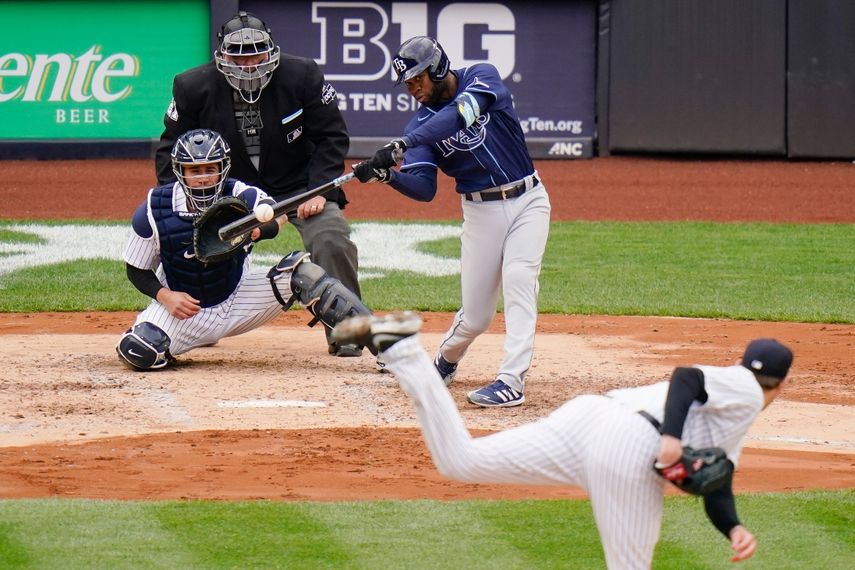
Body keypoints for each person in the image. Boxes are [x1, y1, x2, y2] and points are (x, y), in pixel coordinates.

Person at [332, 311, 795, 568]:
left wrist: (731, 527)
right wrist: (672, 440)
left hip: (590, 417)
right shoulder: (749, 391)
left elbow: (720, 479)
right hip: (629, 444)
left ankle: (404, 350)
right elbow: (688, 376)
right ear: (780, 383)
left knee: (461, 462)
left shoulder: (732, 412)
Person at [352, 36, 551, 407]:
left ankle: (511, 380)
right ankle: (447, 359)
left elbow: (460, 114)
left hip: (529, 200)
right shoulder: (420, 127)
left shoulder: (481, 75)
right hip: (480, 212)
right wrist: (388, 176)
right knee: (475, 316)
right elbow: (424, 189)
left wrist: (403, 142)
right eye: (408, 85)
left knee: (521, 279)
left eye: (418, 80)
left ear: (438, 67)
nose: (414, 90)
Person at [154, 11, 364, 358]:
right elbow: (170, 149)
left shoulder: (303, 75)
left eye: (256, 54)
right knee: (189, 239)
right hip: (229, 192)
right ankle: (197, 323)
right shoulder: (192, 86)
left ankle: (346, 329)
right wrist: (186, 204)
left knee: (331, 237)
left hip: (299, 187)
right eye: (239, 56)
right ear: (222, 57)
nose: (249, 63)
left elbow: (332, 137)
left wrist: (320, 190)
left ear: (272, 52)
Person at [117, 128, 372, 371]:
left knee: (305, 274)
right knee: (137, 351)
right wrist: (165, 297)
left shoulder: (240, 193)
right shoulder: (155, 209)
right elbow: (136, 269)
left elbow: (277, 217)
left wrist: (259, 230)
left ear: (223, 169)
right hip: (183, 311)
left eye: (210, 169)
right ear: (180, 171)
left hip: (240, 298)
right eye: (194, 170)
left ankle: (376, 339)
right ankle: (184, 342)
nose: (203, 176)